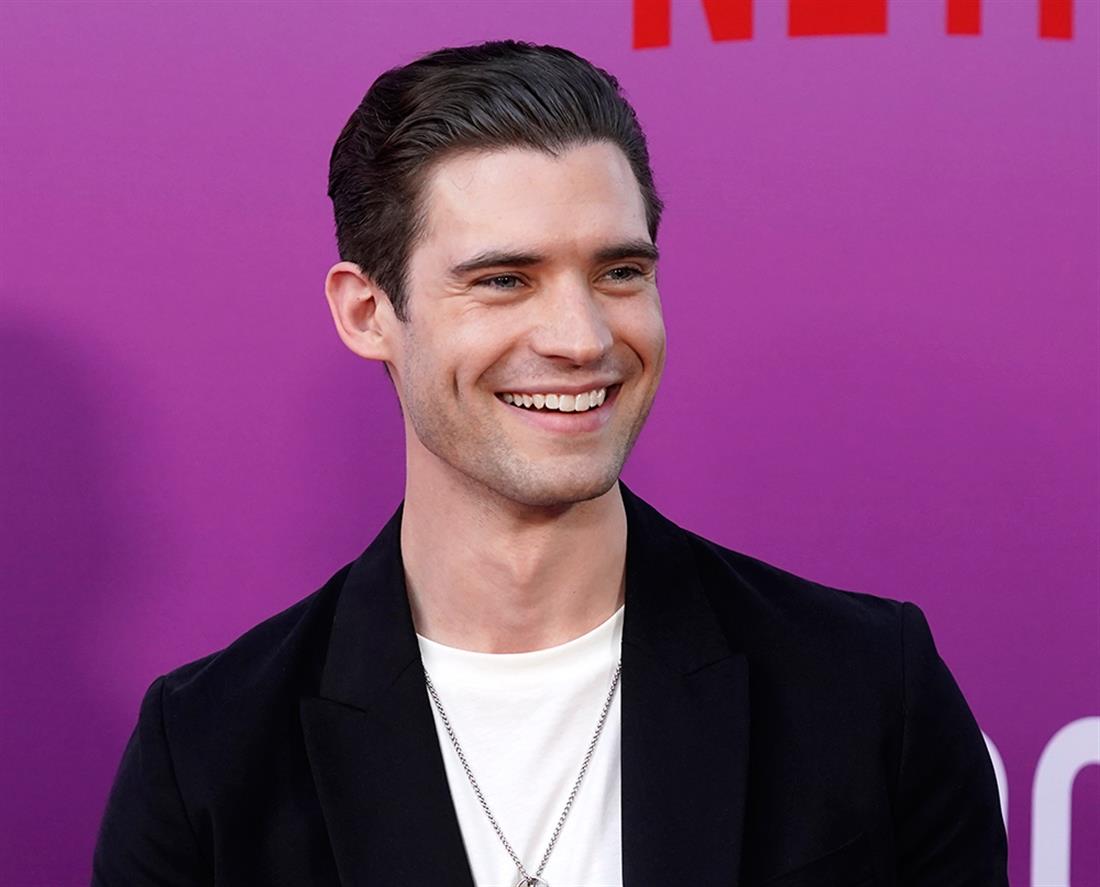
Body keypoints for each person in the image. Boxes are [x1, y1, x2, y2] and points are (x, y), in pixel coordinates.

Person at [93, 40, 1008, 887]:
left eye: (620, 273)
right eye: (504, 280)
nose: (582, 338)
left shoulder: (865, 691)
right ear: (368, 313)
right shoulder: (209, 755)